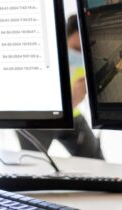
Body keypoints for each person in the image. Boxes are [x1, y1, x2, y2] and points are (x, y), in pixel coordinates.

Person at [17, 15, 104, 159]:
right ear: (63, 39)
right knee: (33, 165)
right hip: (39, 119)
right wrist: (73, 100)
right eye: (76, 48)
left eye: (85, 49)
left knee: (97, 162)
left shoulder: (88, 61)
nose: (80, 54)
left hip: (72, 117)